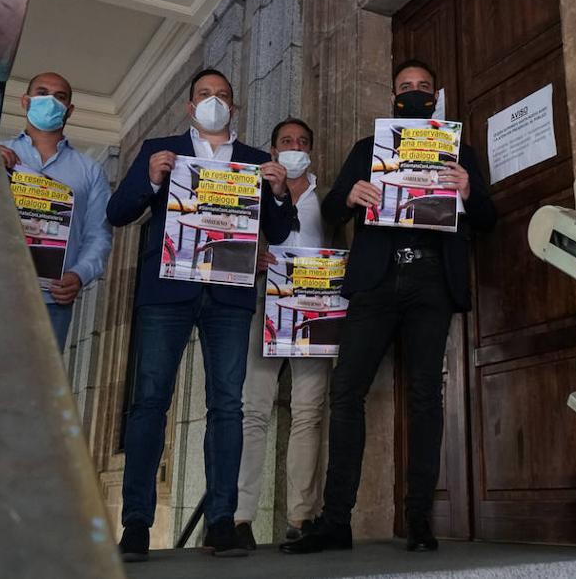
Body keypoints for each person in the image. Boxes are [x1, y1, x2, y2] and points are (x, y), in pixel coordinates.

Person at [282, 60, 496, 555]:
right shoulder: (366, 149)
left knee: (426, 396)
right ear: (393, 97)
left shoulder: (460, 151)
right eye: (406, 87)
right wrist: (351, 196)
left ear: (435, 97)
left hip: (432, 283)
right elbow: (331, 211)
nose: (415, 93)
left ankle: (420, 519)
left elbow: (488, 219)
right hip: (376, 282)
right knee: (346, 391)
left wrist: (467, 191)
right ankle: (336, 521)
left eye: (424, 87)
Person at [107, 68, 296, 562]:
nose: (215, 101)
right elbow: (118, 211)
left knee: (228, 406)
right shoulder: (160, 149)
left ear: (234, 106)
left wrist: (280, 192)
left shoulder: (255, 160)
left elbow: (279, 232)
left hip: (229, 295)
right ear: (191, 106)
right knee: (149, 402)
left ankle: (221, 522)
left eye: (223, 95)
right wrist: (151, 179)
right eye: (205, 94)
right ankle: (136, 524)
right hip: (168, 290)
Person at [233, 118, 331, 550]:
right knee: (253, 410)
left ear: (311, 150)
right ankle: (239, 517)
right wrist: (249, 256)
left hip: (314, 309)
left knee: (309, 412)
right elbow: (228, 235)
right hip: (265, 302)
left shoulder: (325, 198)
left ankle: (301, 516)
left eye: (302, 141)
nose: (295, 147)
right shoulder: (252, 189)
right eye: (287, 141)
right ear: (273, 150)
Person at [0, 72, 112, 352]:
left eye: (59, 97)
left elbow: (98, 234)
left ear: (69, 110)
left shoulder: (90, 171)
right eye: (42, 93)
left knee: (39, 379)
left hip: (51, 298)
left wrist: (80, 274)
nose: (50, 101)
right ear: (25, 101)